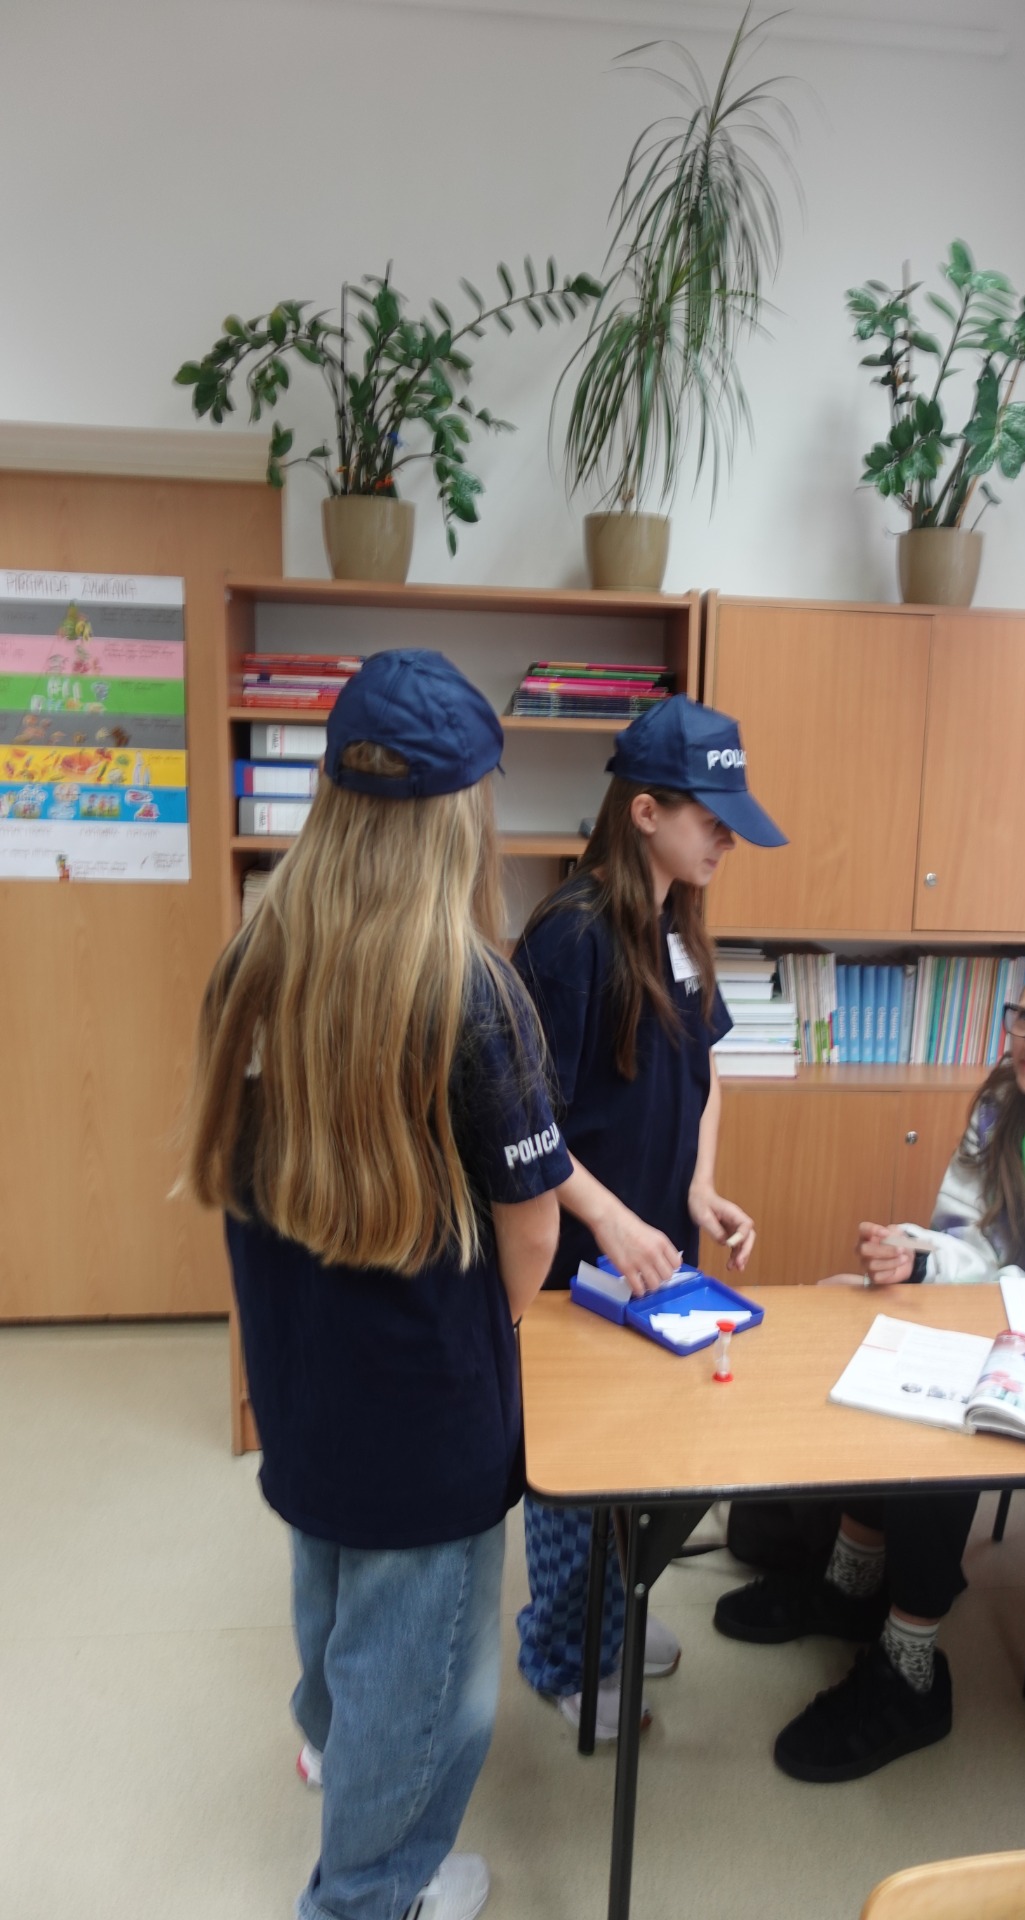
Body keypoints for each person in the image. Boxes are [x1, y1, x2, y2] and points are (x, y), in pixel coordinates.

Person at [179, 650, 571, 1920]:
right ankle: (366, 1891)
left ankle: (331, 1751)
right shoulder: (475, 994)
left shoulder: (253, 958)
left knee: (332, 1586)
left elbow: (240, 1176)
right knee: (431, 1683)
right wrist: (485, 1348)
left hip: (301, 1377)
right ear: (465, 813)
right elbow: (529, 1232)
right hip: (428, 1411)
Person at [714, 953, 1025, 1784]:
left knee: (951, 1413)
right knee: (878, 1339)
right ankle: (851, 1583)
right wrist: (912, 1259)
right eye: (1024, 1018)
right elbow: (970, 1235)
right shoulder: (1006, 1100)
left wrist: (940, 1281)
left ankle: (910, 1669)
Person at [512, 693, 786, 1737]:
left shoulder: (678, 927)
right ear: (642, 812)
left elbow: (706, 1075)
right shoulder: (570, 937)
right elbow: (521, 1120)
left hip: (654, 1251)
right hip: (577, 1254)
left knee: (640, 1451)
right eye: (709, 819)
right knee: (578, 1468)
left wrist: (696, 1189)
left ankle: (610, 1622)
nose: (726, 839)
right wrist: (611, 1217)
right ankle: (562, 1653)